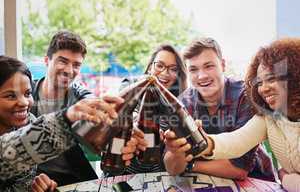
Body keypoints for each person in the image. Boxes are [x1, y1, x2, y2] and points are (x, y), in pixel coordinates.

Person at [0, 55, 127, 191]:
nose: (24, 103)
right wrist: (67, 118)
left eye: (27, 94)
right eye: (10, 96)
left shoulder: (28, 121)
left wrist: (35, 185)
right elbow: (10, 153)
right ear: (47, 61)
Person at [163, 37, 275, 181]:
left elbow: (238, 169)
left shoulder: (246, 96)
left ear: (222, 65)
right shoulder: (183, 103)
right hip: (201, 181)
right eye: (193, 69)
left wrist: (189, 164)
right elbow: (172, 168)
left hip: (255, 181)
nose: (202, 76)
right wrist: (175, 152)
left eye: (209, 66)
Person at [30, 31, 99, 186]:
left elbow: (92, 102)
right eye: (63, 61)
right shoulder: (27, 95)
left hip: (73, 180)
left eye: (76, 65)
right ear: (47, 61)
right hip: (33, 181)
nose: (69, 70)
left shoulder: (79, 96)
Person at [116, 44, 187, 175]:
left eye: (173, 69)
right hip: (121, 171)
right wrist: (135, 123)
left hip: (158, 176)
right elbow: (121, 113)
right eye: (160, 65)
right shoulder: (130, 85)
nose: (165, 73)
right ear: (150, 67)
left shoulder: (178, 102)